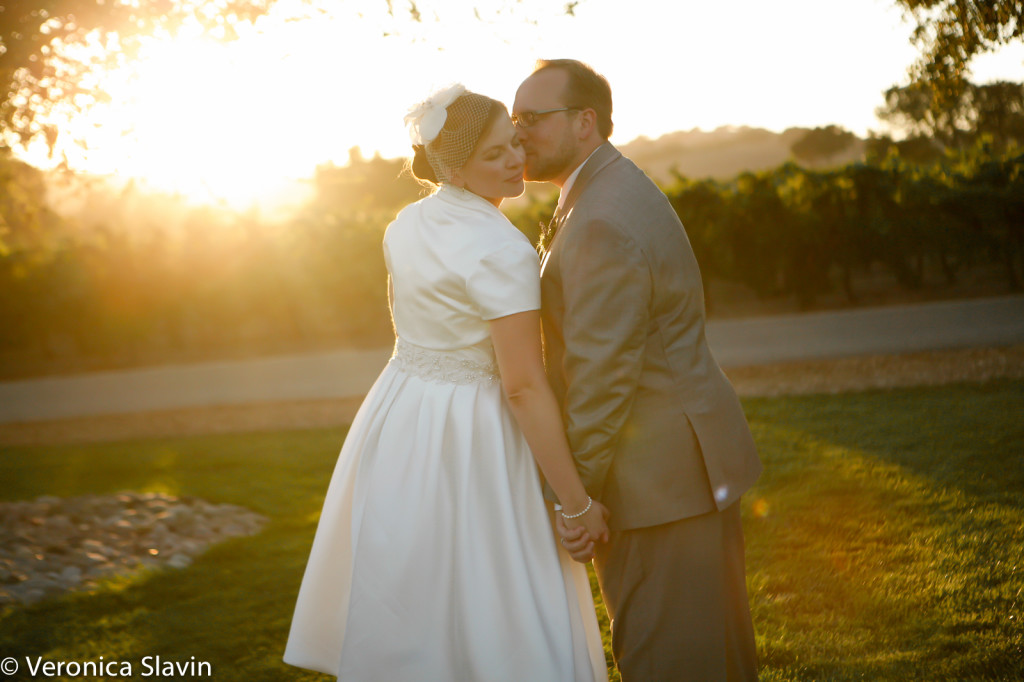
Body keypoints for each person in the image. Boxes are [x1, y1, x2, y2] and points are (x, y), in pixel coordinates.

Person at [282, 84, 609, 682]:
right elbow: (522, 387)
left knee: (418, 578)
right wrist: (575, 502)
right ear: (453, 167)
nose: (515, 160)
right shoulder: (501, 249)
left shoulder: (404, 224)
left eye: (514, 143)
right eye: (495, 155)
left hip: (403, 414)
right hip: (475, 427)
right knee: (496, 581)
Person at [513, 59, 763, 681]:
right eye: (515, 119)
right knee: (715, 657)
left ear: (585, 122)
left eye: (532, 119)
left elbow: (602, 375)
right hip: (683, 466)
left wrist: (578, 498)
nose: (519, 134)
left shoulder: (600, 216)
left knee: (667, 660)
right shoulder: (605, 188)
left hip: (657, 483)